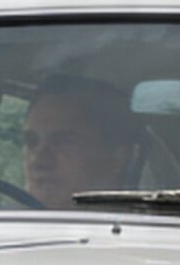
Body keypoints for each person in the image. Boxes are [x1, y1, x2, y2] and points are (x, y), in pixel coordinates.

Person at [23, 75, 140, 208]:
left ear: (117, 159)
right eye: (32, 142)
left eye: (62, 142)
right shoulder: (2, 222)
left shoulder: (146, 227)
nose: (38, 161)